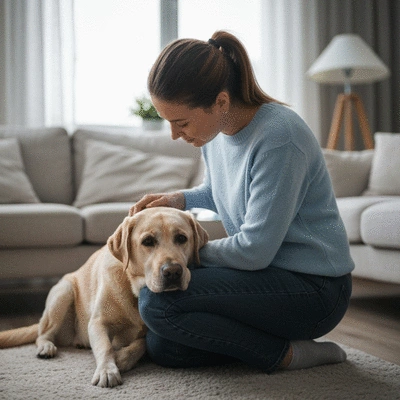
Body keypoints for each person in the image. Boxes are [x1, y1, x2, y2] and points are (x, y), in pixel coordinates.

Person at [130, 30, 354, 373]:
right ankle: (266, 342)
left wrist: (181, 254)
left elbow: (253, 250)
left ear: (220, 102)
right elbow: (223, 192)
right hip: (265, 276)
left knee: (156, 304)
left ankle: (291, 355)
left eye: (181, 122)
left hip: (314, 288)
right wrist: (179, 199)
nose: (175, 135)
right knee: (164, 345)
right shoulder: (215, 133)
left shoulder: (280, 137)